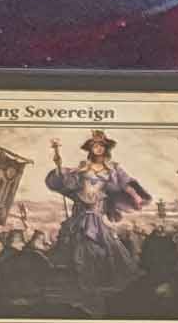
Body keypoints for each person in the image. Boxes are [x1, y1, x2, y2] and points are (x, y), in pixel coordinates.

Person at [46, 129, 158, 309]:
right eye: (94, 145)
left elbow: (125, 183)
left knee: (105, 246)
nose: (98, 148)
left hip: (96, 214)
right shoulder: (84, 167)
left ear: (106, 148)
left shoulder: (113, 168)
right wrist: (58, 165)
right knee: (75, 243)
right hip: (80, 213)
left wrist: (135, 196)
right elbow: (67, 181)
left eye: (101, 145)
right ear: (90, 149)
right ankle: (78, 283)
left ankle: (99, 284)